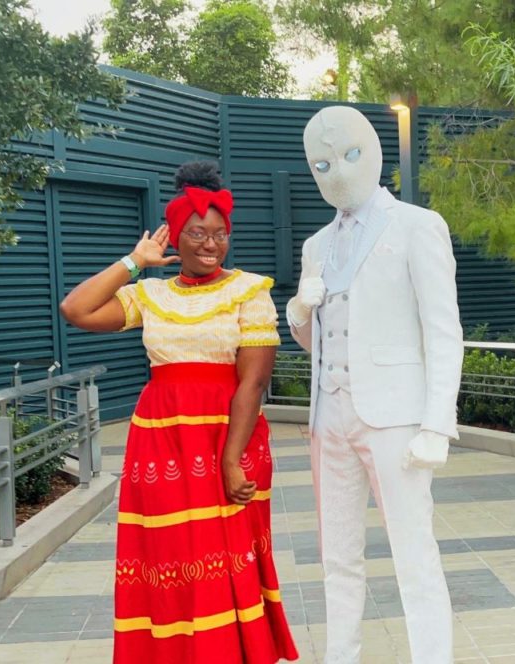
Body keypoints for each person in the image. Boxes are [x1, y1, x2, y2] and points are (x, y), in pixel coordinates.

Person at [60, 161, 298, 664]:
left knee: (224, 550)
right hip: (161, 443)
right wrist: (134, 261)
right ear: (174, 237)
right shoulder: (150, 293)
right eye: (197, 233)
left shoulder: (250, 292)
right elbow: (76, 310)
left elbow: (252, 383)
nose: (210, 244)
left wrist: (231, 460)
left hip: (227, 439)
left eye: (220, 234)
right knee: (170, 552)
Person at [286, 106, 464, 664]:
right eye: (321, 163)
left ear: (374, 151)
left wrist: (437, 422)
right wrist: (297, 311)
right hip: (328, 418)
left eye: (348, 155)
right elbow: (320, 341)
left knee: (414, 553)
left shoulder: (417, 225)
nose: (336, 171)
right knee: (337, 557)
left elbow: (443, 332)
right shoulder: (317, 245)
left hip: (395, 418)